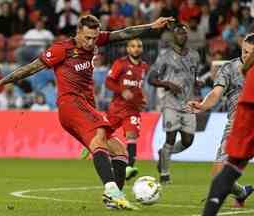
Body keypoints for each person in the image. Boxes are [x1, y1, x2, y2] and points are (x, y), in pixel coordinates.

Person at [0, 15, 174, 210]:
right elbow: (31, 68)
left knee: (120, 151)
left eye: (94, 38)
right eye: (87, 38)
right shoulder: (61, 49)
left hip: (86, 106)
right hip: (70, 104)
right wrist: (1, 82)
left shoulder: (96, 39)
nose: (91, 43)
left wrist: (152, 26)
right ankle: (111, 190)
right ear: (78, 32)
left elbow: (124, 33)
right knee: (99, 135)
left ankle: (114, 200)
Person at [186, 34, 254, 208]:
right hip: (238, 125)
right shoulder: (230, 68)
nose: (248, 56)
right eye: (245, 51)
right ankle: (241, 192)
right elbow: (216, 93)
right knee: (219, 174)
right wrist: (202, 105)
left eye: (252, 53)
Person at [148, 22, 200, 184]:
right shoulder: (165, 57)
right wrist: (168, 84)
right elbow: (151, 78)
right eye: (179, 33)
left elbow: (193, 76)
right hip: (171, 103)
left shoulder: (195, 55)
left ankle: (164, 154)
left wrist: (197, 84)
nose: (182, 36)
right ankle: (165, 175)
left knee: (187, 141)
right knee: (170, 138)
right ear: (173, 37)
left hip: (188, 104)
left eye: (184, 33)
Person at [105, 38, 149, 180]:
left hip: (133, 109)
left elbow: (138, 87)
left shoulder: (144, 67)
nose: (136, 48)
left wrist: (142, 98)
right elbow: (108, 82)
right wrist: (121, 91)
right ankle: (91, 146)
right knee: (103, 134)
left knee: (132, 135)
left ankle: (128, 167)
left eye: (139, 46)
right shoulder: (121, 63)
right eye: (133, 46)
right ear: (128, 49)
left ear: (141, 49)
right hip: (117, 107)